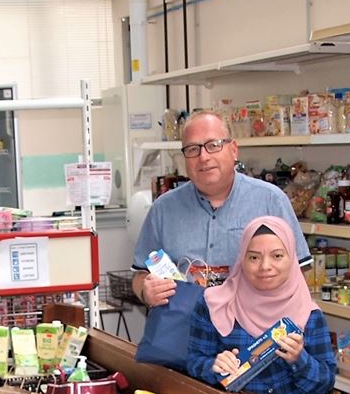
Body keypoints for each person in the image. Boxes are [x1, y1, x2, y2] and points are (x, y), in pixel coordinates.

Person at [131, 109, 310, 308]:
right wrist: (146, 291)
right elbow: (140, 274)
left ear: (233, 149)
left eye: (213, 145)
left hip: (251, 331)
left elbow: (298, 272)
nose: (203, 157)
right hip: (184, 330)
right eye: (192, 149)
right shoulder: (162, 209)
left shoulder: (270, 201)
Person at [187, 215, 335, 394]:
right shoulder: (215, 304)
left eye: (277, 256)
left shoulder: (309, 314)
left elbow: (325, 383)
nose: (265, 266)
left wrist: (299, 359)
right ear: (242, 260)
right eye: (254, 257)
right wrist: (213, 366)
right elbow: (193, 363)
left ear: (291, 259)